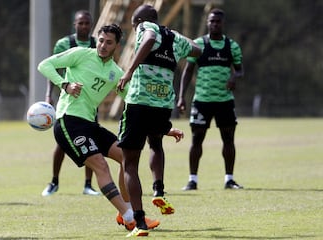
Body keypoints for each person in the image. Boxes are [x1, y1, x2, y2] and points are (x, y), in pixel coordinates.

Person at [38, 23, 184, 234]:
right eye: (100, 40)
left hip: (90, 124)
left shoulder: (116, 73)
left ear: (117, 45)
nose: (103, 46)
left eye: (109, 42)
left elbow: (135, 102)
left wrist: (165, 128)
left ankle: (125, 209)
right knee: (100, 165)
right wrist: (65, 84)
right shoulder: (80, 54)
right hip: (68, 121)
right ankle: (129, 217)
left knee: (127, 157)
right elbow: (44, 65)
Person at [116, 4, 202, 237]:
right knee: (156, 143)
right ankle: (159, 190)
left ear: (140, 20)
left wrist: (129, 71)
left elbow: (150, 37)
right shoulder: (174, 37)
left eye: (134, 25)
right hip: (163, 104)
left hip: (139, 102)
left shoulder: (146, 26)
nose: (135, 30)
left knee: (130, 163)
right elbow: (196, 50)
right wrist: (175, 37)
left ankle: (141, 224)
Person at [177, 8, 244, 191]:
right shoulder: (198, 45)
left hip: (224, 101)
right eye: (211, 21)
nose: (214, 24)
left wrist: (234, 77)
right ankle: (192, 180)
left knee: (228, 139)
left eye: (218, 22)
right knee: (196, 139)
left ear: (223, 24)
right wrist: (181, 97)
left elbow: (239, 69)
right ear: (208, 23)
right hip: (202, 100)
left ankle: (229, 179)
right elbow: (187, 71)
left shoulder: (232, 46)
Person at [42, 10, 100, 197]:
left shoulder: (96, 44)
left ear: (91, 25)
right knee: (61, 142)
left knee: (91, 141)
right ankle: (54, 181)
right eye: (80, 23)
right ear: (74, 24)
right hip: (68, 102)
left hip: (88, 103)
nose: (84, 26)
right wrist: (48, 94)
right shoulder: (64, 44)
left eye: (87, 23)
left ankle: (88, 185)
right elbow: (54, 67)